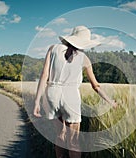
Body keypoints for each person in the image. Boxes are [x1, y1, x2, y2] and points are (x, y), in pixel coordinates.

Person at [33, 25, 117, 158]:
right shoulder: (84, 58)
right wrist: (110, 101)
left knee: (60, 134)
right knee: (73, 141)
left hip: (52, 95)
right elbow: (95, 86)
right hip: (70, 97)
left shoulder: (53, 48)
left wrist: (37, 102)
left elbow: (44, 75)